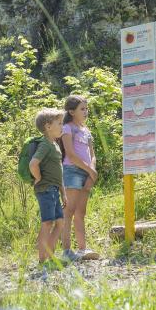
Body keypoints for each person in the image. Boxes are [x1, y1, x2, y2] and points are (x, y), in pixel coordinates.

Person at [58, 95, 100, 262]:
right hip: (72, 171)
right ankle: (66, 251)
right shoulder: (67, 128)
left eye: (86, 108)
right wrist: (90, 170)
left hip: (88, 172)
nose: (86, 111)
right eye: (82, 109)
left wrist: (92, 171)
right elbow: (71, 154)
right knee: (69, 211)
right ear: (71, 111)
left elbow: (93, 154)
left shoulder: (86, 131)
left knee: (81, 212)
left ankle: (82, 249)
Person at [29, 108, 67, 275]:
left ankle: (50, 256)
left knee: (60, 223)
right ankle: (42, 260)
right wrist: (37, 178)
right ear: (48, 126)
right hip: (45, 190)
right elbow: (33, 164)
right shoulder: (45, 144)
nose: (62, 126)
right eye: (59, 123)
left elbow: (59, 172)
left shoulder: (55, 145)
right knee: (47, 223)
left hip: (54, 190)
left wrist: (63, 192)